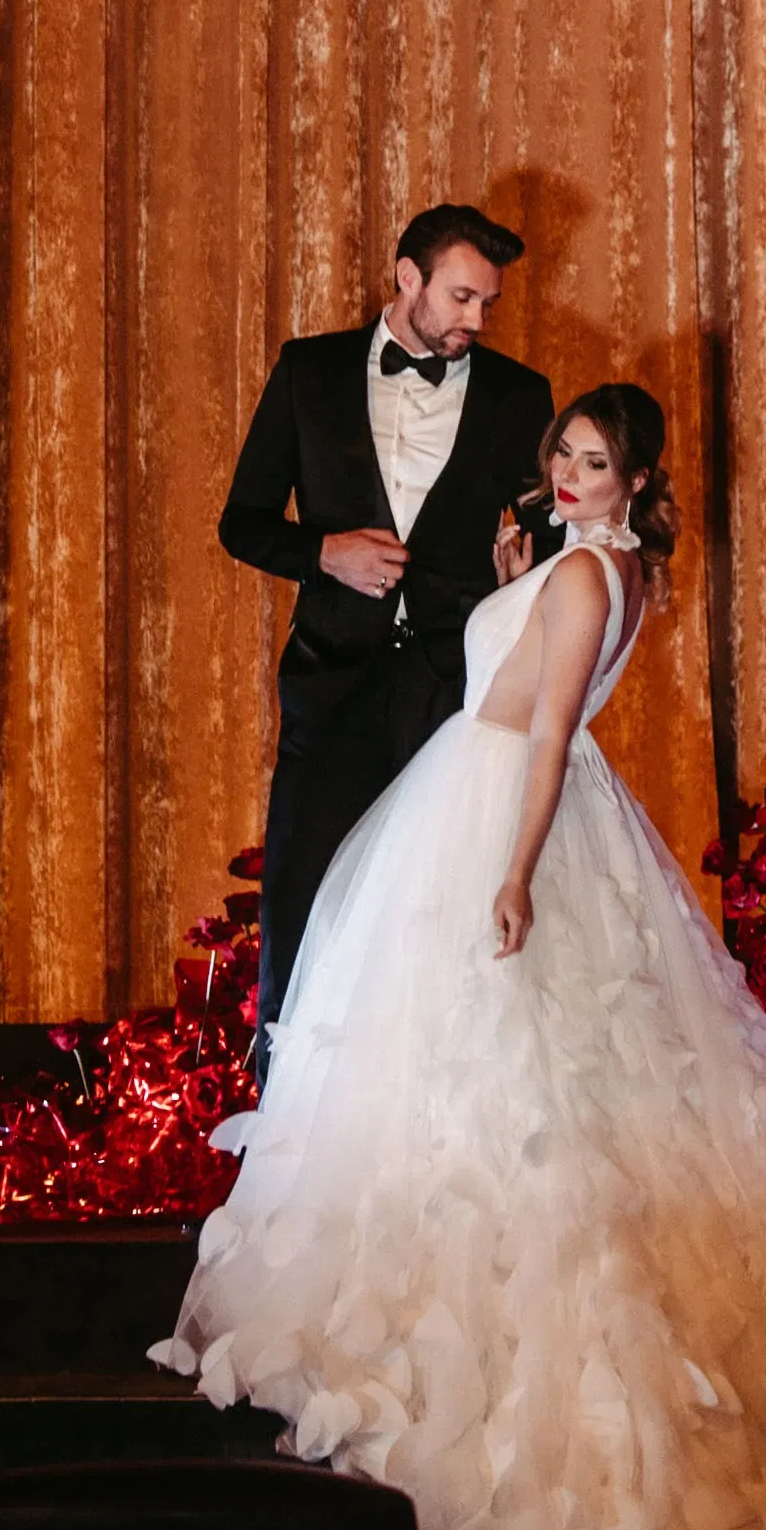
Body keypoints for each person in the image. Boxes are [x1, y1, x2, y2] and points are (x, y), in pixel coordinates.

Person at [155, 385, 766, 1530]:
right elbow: (542, 676)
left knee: (502, 1077)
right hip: (514, 790)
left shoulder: (587, 581)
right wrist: (526, 576)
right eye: (562, 453)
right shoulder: (605, 568)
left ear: (634, 480)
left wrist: (511, 871)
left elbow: (543, 732)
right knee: (551, 1072)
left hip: (499, 808)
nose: (569, 472)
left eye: (594, 462)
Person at [220, 203, 559, 1082]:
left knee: (441, 904)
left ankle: (434, 1106)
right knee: (304, 895)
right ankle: (287, 1104)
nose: (475, 322)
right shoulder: (309, 372)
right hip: (332, 678)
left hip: (457, 691)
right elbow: (242, 522)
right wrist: (322, 552)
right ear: (405, 277)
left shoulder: (521, 395)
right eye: (459, 296)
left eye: (486, 303)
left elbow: (545, 528)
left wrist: (523, 567)